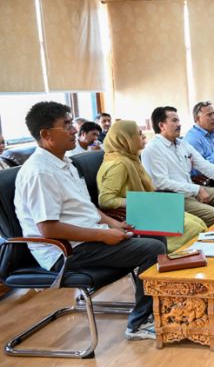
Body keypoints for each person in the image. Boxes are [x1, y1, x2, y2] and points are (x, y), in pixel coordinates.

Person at [14, 102, 164, 341]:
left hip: (87, 237)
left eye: (72, 124)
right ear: (46, 135)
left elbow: (86, 206)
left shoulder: (65, 163)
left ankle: (156, 308)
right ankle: (139, 324)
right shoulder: (40, 172)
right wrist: (104, 235)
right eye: (66, 126)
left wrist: (111, 224)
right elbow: (48, 228)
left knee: (157, 229)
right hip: (65, 252)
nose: (75, 130)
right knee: (152, 249)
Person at [97, 120, 207, 253]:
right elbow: (105, 200)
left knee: (198, 222)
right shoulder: (119, 164)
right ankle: (179, 263)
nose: (143, 137)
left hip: (147, 208)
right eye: (138, 134)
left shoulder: (129, 158)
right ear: (126, 139)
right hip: (135, 215)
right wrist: (142, 202)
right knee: (193, 228)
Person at [141, 106, 214, 227]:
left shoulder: (182, 144)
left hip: (191, 191)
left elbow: (206, 166)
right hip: (173, 198)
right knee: (213, 214)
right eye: (174, 121)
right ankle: (203, 234)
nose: (179, 124)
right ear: (161, 126)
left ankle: (210, 231)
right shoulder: (153, 149)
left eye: (179, 121)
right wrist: (196, 189)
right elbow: (160, 183)